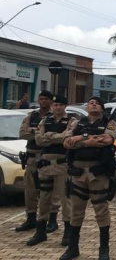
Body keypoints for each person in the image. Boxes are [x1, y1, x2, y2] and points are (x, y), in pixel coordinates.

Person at [60, 97, 116, 260]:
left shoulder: (109, 122)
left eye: (97, 103)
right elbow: (66, 142)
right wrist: (88, 140)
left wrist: (79, 139)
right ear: (86, 106)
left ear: (102, 108)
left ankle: (103, 249)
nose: (93, 104)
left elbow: (106, 140)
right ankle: (72, 248)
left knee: (101, 210)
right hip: (77, 172)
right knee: (76, 211)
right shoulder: (76, 123)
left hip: (97, 173)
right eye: (91, 102)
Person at [26, 95, 72, 248]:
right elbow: (39, 140)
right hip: (45, 164)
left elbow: (67, 139)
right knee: (44, 198)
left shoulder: (72, 121)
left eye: (60, 104)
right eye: (56, 104)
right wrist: (57, 137)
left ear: (65, 106)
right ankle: (40, 231)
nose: (58, 107)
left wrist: (49, 136)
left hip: (62, 165)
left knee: (66, 199)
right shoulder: (45, 120)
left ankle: (68, 233)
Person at [15, 90, 61, 233]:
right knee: (30, 190)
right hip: (31, 158)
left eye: (46, 99)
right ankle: (31, 219)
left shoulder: (55, 117)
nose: (43, 101)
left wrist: (36, 132)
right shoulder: (32, 115)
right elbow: (23, 133)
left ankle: (52, 220)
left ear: (51, 101)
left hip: (48, 158)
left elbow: (58, 137)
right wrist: (42, 133)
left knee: (51, 191)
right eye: (41, 99)